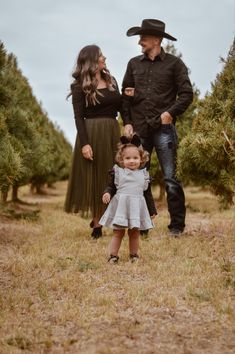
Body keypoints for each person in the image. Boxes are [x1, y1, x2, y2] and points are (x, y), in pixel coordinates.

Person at [122, 19, 193, 236]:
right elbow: (125, 95)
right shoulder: (134, 64)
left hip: (163, 130)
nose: (139, 42)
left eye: (143, 38)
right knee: (137, 179)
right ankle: (141, 225)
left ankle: (177, 227)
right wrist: (127, 121)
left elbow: (187, 94)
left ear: (157, 39)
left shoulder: (175, 64)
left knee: (171, 178)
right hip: (139, 130)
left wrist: (169, 113)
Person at [65, 44, 122, 238]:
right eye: (100, 55)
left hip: (113, 131)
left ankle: (115, 218)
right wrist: (85, 143)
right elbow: (78, 117)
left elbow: (122, 106)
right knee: (96, 175)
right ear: (91, 60)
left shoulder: (111, 79)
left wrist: (129, 121)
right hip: (92, 132)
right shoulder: (79, 86)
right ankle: (97, 223)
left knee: (112, 174)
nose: (104, 57)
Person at [99, 135, 157, 263]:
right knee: (118, 232)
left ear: (141, 159)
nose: (132, 161)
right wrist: (107, 193)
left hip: (136, 208)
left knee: (134, 233)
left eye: (135, 158)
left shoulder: (144, 175)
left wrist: (152, 210)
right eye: (128, 158)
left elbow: (148, 194)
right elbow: (111, 187)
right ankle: (113, 255)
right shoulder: (119, 173)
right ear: (121, 159)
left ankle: (134, 255)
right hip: (121, 208)